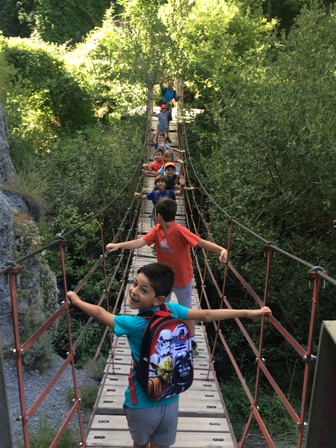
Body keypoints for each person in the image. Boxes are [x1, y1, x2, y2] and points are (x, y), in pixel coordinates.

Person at [67, 262, 272, 448]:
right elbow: (207, 315)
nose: (134, 291)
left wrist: (76, 301)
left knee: (139, 445)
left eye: (143, 289)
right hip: (171, 398)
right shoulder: (172, 309)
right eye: (135, 283)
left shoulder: (133, 324)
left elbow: (100, 313)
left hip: (141, 403)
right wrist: (247, 312)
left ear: (158, 299)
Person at [106, 197, 228, 356]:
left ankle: (191, 340)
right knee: (157, 308)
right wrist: (119, 246)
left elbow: (201, 243)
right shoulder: (157, 230)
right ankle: (157, 335)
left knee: (187, 312)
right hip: (164, 280)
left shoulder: (180, 230)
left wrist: (221, 250)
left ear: (158, 215)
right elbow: (140, 242)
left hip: (183, 279)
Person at [159, 74, 179, 143]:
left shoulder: (173, 92)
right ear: (168, 83)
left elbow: (176, 100)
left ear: (173, 84)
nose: (171, 84)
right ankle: (162, 137)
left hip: (169, 108)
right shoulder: (165, 89)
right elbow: (160, 84)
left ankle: (167, 136)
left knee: (167, 122)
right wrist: (164, 78)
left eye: (172, 83)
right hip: (163, 107)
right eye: (170, 83)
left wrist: (180, 97)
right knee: (162, 122)